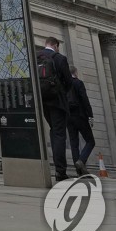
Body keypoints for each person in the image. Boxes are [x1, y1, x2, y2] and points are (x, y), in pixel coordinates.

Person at [37, 37, 74, 182]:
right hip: (57, 101)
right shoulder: (60, 58)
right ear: (56, 45)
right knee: (59, 133)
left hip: (42, 100)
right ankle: (60, 170)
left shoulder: (36, 57)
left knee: (53, 130)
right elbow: (69, 81)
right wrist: (61, 91)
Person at [66, 66, 95, 176]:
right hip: (80, 115)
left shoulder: (64, 85)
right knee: (90, 141)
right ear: (76, 73)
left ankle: (79, 172)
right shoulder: (78, 83)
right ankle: (81, 160)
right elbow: (85, 100)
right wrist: (90, 115)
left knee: (74, 143)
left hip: (68, 117)